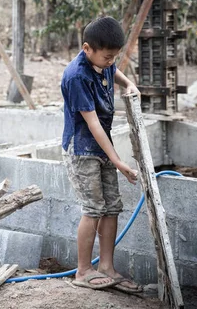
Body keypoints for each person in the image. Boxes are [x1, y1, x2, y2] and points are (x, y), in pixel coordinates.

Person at [61, 16, 143, 293]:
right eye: (107, 57)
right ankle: (83, 270)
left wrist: (128, 83)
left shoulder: (104, 62)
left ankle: (106, 266)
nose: (111, 61)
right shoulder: (77, 76)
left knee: (111, 206)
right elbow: (93, 124)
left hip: (102, 146)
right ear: (87, 49)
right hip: (83, 149)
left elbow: (114, 71)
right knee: (94, 208)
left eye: (114, 57)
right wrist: (118, 161)